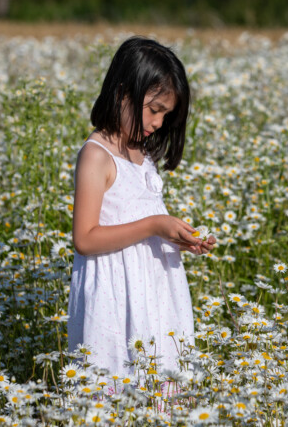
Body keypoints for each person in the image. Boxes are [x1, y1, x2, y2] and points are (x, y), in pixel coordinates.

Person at [67, 36, 215, 394]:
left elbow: (139, 231)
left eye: (166, 114)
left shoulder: (141, 155)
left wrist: (175, 239)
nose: (159, 122)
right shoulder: (97, 155)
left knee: (158, 384)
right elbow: (85, 239)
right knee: (117, 384)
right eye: (154, 109)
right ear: (122, 93)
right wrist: (155, 225)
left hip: (155, 293)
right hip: (117, 299)